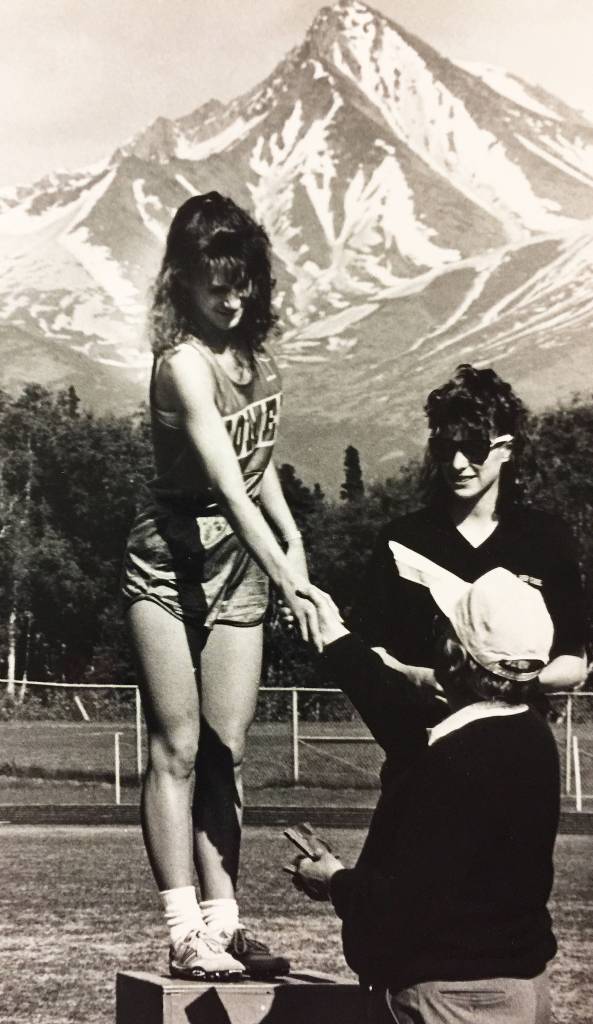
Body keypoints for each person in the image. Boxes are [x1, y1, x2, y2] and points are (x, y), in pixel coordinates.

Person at [121, 191, 323, 981]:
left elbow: (257, 466)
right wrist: (290, 581)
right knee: (176, 745)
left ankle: (225, 922)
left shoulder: (258, 363)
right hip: (170, 557)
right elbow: (226, 489)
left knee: (226, 753)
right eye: (215, 285)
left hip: (237, 563)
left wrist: (294, 542)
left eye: (243, 283)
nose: (231, 300)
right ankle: (183, 931)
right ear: (182, 280)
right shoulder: (181, 365)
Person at [291, 568, 561, 1024]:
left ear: (454, 656)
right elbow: (399, 715)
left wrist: (333, 880)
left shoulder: (453, 761)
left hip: (456, 1002)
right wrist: (335, 635)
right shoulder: (527, 733)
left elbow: (402, 906)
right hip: (519, 990)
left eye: (444, 627)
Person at [352, 364, 586, 697]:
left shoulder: (547, 538)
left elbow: (573, 660)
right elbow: (368, 648)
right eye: (444, 449)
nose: (458, 464)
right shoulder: (402, 539)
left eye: (474, 448)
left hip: (514, 723)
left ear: (507, 448)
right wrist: (417, 677)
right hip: (422, 725)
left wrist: (508, 686)